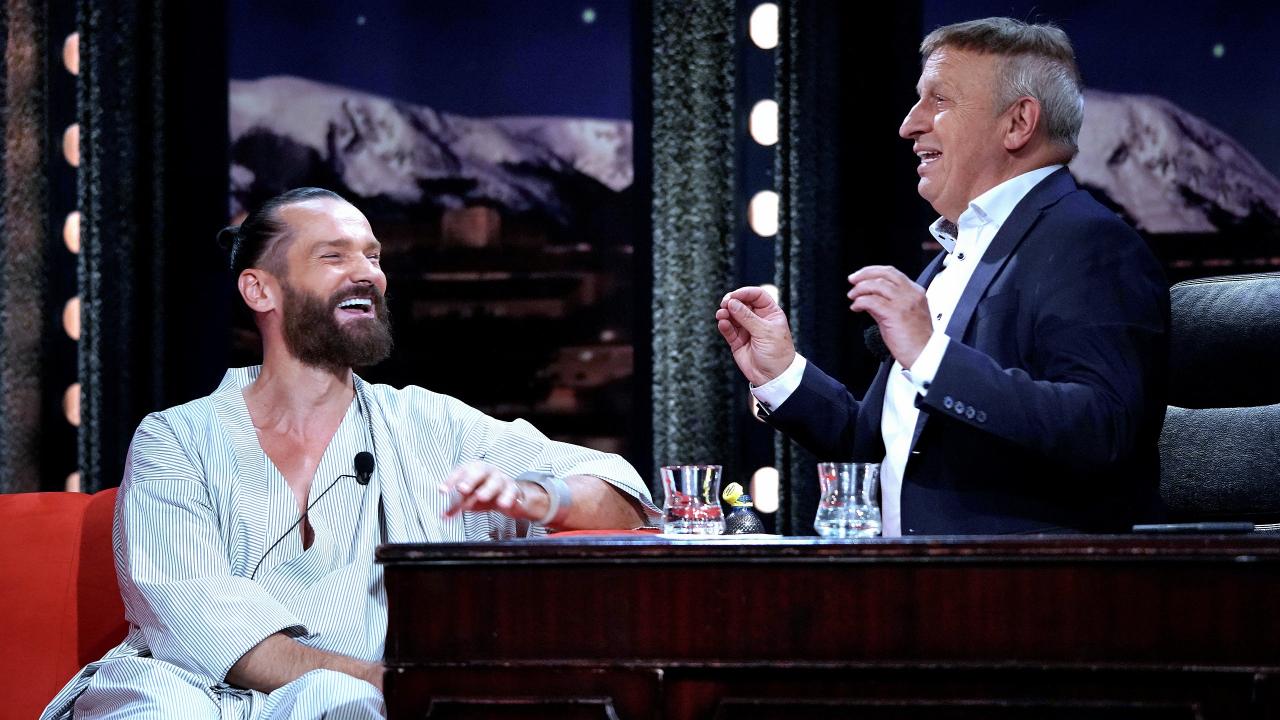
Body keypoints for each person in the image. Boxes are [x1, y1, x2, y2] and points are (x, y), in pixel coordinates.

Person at [43, 187, 658, 719]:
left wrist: (536, 496)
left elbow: (622, 498)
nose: (367, 273)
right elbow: (205, 628)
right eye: (333, 256)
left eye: (373, 255)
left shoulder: (428, 424)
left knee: (338, 702)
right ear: (260, 290)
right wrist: (407, 683)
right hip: (188, 693)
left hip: (351, 704)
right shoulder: (177, 438)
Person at [716, 17, 1168, 536]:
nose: (909, 125)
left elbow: (1102, 429)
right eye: (918, 100)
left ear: (1018, 122)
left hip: (1019, 580)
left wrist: (932, 356)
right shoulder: (954, 256)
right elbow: (877, 451)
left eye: (939, 100)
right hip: (912, 576)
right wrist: (782, 374)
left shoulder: (1089, 242)